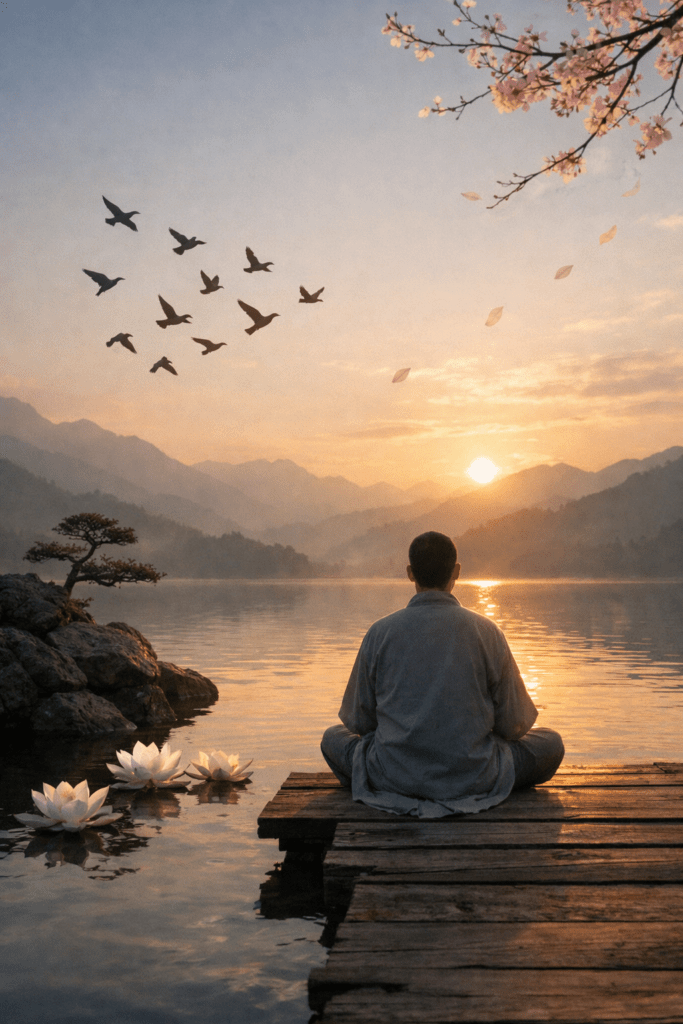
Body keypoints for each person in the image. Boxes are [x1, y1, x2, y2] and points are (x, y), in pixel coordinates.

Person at [321, 531, 564, 818]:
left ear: (410, 573)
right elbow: (514, 725)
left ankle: (400, 779)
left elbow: (360, 722)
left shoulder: (380, 633)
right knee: (550, 743)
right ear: (457, 572)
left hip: (393, 776)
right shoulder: (486, 632)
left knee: (332, 738)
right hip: (474, 776)